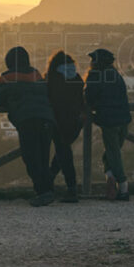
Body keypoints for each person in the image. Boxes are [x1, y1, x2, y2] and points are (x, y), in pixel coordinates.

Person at [0, 46, 56, 206]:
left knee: (31, 157)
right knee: (43, 156)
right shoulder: (36, 74)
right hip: (47, 118)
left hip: (27, 119)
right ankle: (48, 190)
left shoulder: (7, 77)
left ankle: (42, 193)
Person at [84, 48, 132, 201]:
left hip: (109, 121)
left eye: (92, 60)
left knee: (113, 154)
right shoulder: (116, 75)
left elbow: (88, 99)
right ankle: (110, 180)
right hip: (123, 119)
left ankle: (123, 188)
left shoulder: (94, 76)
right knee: (110, 154)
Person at [45, 50, 85, 203]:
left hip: (57, 122)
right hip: (75, 122)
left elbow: (48, 98)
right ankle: (51, 179)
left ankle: (70, 189)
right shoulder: (77, 78)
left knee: (64, 154)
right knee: (63, 152)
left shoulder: (52, 79)